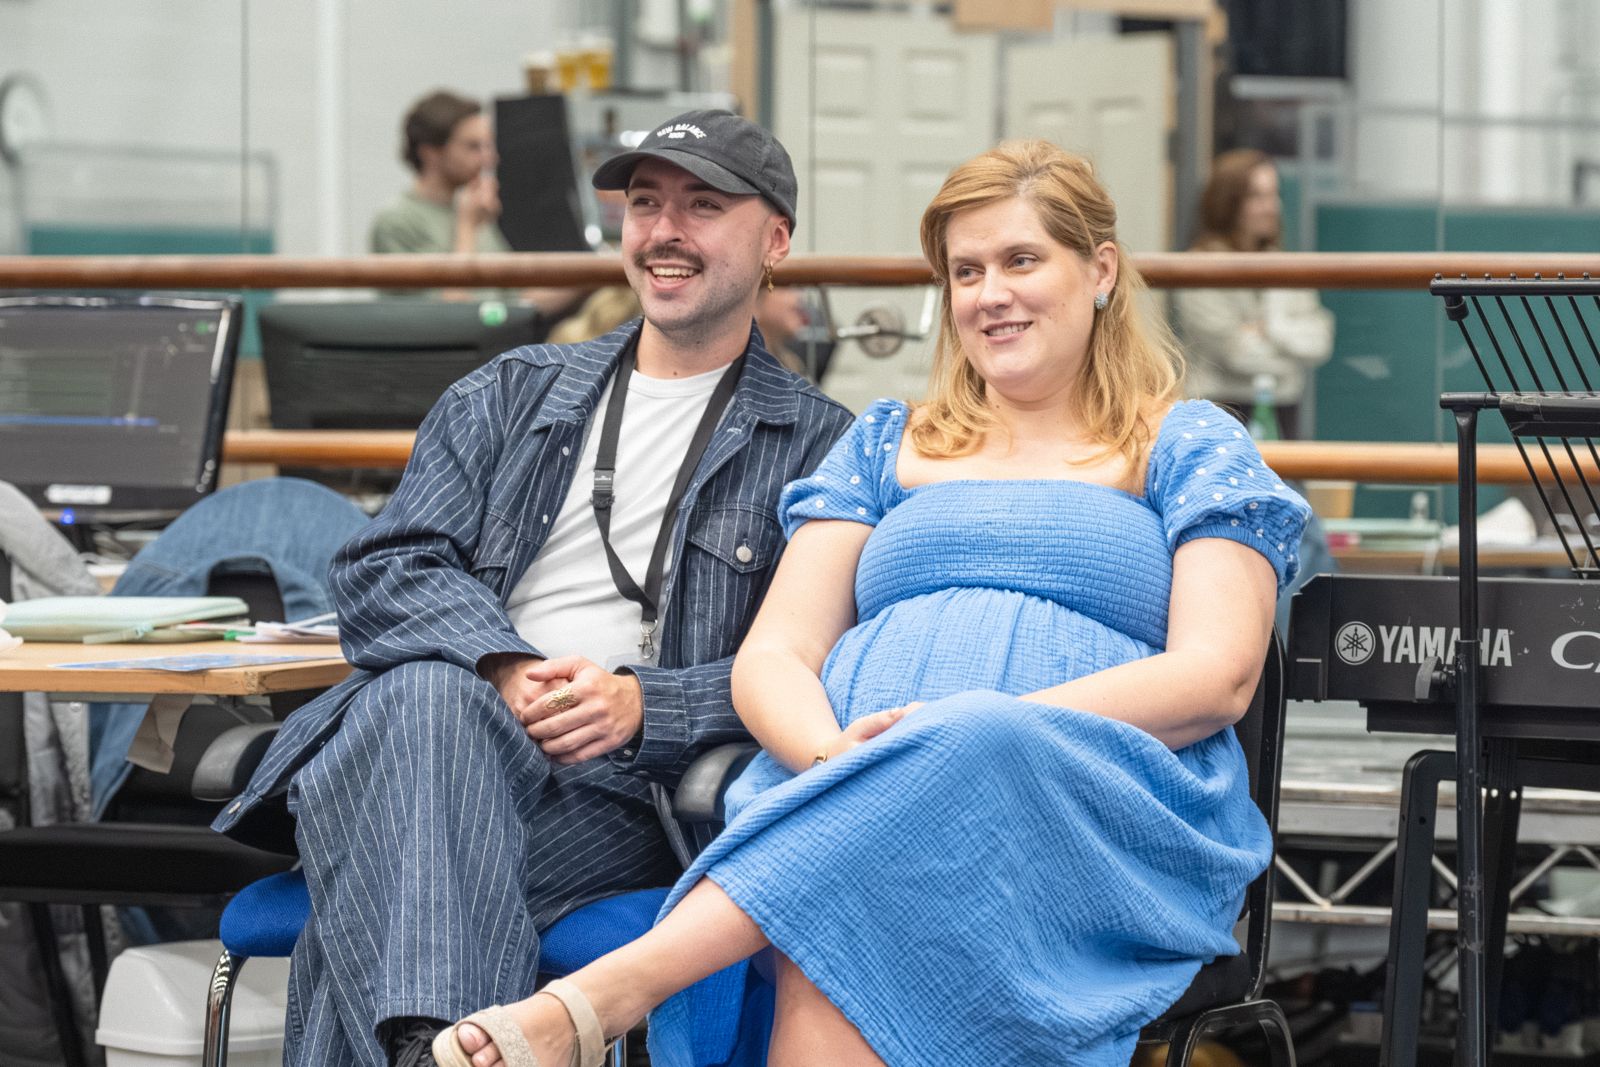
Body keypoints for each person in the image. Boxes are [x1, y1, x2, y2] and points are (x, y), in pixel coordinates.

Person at [431, 140, 1311, 1067]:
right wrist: (833, 757)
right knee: (859, 892)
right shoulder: (887, 442)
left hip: (1098, 803)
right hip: (851, 783)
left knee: (953, 758)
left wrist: (974, 731)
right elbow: (776, 654)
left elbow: (1218, 674)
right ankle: (637, 974)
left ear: (1099, 270)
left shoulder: (1188, 442)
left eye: (1021, 260)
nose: (990, 294)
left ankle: (607, 994)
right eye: (966, 271)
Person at [214, 108, 854, 1066]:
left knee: (384, 874)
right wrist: (504, 666)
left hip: (619, 790)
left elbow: (822, 664)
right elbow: (383, 568)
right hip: (434, 737)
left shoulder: (821, 445)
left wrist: (645, 704)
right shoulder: (511, 392)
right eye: (646, 204)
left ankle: (423, 1043)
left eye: (703, 206)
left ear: (776, 241)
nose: (665, 231)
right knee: (432, 703)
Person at [370, 89, 582, 314]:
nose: (490, 158)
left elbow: (517, 302)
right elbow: (449, 314)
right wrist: (467, 228)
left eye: (488, 146)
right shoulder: (397, 221)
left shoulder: (473, 211)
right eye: (473, 147)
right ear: (430, 153)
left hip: (502, 334)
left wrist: (591, 275)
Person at [1173, 147, 1334, 439]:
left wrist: (1269, 329)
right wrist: (1289, 347)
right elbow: (1236, 355)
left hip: (1284, 411)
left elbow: (1319, 342)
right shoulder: (1200, 267)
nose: (1271, 206)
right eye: (1257, 196)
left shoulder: (1286, 265)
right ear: (1228, 202)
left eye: (1273, 194)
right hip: (1220, 412)